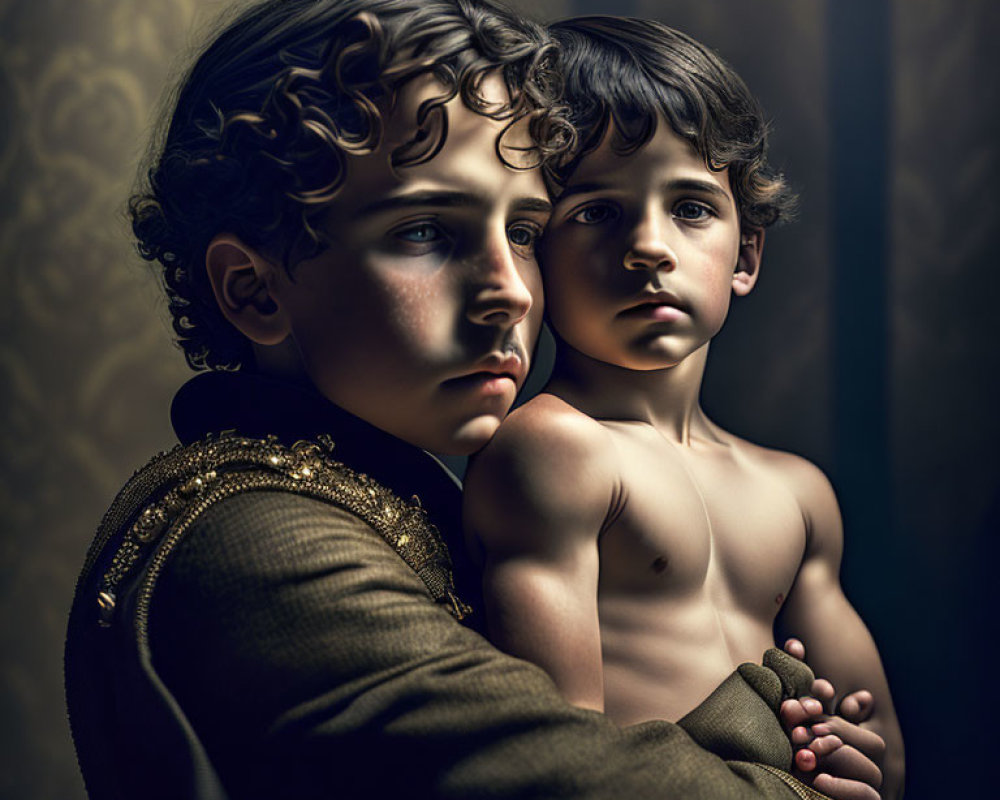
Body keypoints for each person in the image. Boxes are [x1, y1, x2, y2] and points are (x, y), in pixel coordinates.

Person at [65, 1, 876, 798]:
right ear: (253, 290)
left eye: (523, 232)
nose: (510, 293)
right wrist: (789, 762)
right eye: (426, 231)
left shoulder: (389, 494)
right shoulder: (253, 540)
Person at [463, 15, 904, 800]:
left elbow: (886, 760)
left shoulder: (798, 494)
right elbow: (563, 758)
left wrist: (845, 758)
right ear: (532, 247)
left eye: (693, 208)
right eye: (595, 212)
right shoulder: (558, 453)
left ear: (747, 255)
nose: (650, 247)